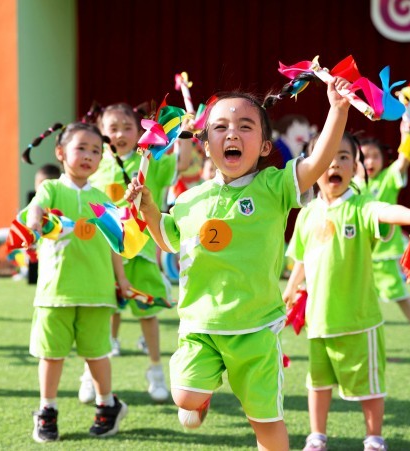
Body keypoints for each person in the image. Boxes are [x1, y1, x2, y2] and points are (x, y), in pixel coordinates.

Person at [125, 77, 352, 451]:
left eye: (245, 127)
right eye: (221, 127)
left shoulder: (274, 186)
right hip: (201, 326)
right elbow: (166, 239)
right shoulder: (190, 199)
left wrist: (337, 110)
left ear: (264, 146)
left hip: (256, 329)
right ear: (205, 143)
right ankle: (203, 391)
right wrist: (149, 208)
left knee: (267, 427)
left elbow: (316, 163)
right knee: (184, 400)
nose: (232, 134)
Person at [282, 132, 410, 451]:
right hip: (318, 321)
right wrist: (291, 290)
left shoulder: (361, 206)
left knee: (369, 387)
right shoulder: (307, 214)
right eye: (327, 157)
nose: (335, 163)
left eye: (344, 157)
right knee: (318, 382)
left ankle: (374, 438)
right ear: (312, 166)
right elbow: (302, 259)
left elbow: (385, 211)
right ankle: (316, 436)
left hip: (358, 320)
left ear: (355, 168)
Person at [21, 121, 130, 442]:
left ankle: (107, 406)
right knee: (51, 355)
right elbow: (35, 210)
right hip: (55, 292)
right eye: (81, 148)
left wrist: (121, 278)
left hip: (97, 292)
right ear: (60, 153)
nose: (88, 156)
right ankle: (47, 410)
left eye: (95, 151)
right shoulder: (51, 189)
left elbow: (115, 244)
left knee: (97, 354)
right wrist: (34, 220)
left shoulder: (103, 198)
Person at [83, 103, 191, 404]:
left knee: (149, 313)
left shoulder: (151, 161)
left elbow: (182, 163)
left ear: (139, 130)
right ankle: (90, 375)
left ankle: (155, 371)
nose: (120, 133)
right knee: (101, 317)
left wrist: (183, 134)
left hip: (140, 252)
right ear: (102, 134)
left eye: (127, 127)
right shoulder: (97, 163)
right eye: (112, 128)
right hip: (104, 255)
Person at [358, 121, 410, 353]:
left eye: (374, 157)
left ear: (383, 160)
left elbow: (403, 160)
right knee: (358, 301)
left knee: (399, 294)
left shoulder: (389, 178)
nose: (369, 162)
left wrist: (405, 132)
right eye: (363, 157)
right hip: (357, 254)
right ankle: (363, 339)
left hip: (384, 253)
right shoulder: (350, 186)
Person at [26, 163, 61, 285]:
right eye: (39, 184)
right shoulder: (32, 208)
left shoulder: (61, 207)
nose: (43, 190)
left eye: (46, 185)